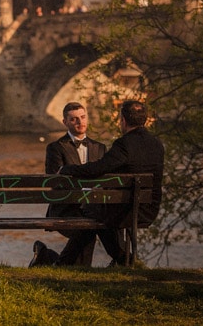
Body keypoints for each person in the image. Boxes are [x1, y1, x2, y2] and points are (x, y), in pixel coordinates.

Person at [32, 99, 164, 267]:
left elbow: (98, 168)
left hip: (125, 209)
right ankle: (124, 260)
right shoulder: (157, 144)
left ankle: (59, 262)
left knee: (91, 214)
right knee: (96, 215)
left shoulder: (123, 144)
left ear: (123, 120)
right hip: (148, 209)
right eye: (74, 118)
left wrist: (67, 169)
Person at [32, 102, 106, 267]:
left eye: (82, 117)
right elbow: (55, 182)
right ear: (65, 122)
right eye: (74, 119)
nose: (80, 122)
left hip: (92, 207)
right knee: (88, 227)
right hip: (66, 207)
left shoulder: (100, 148)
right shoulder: (55, 148)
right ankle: (73, 267)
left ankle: (51, 259)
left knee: (89, 225)